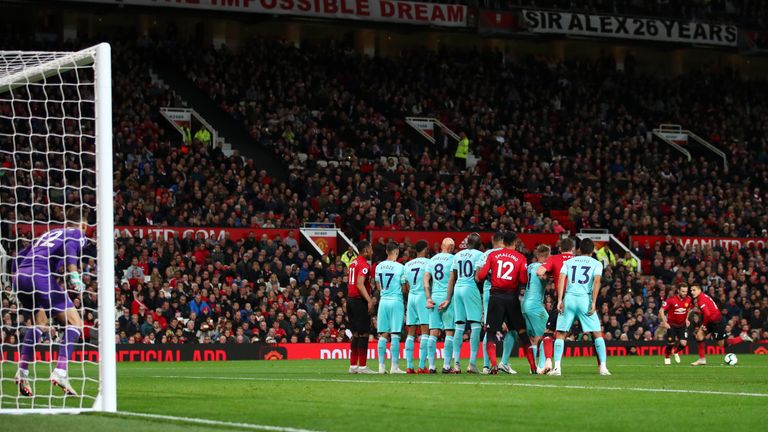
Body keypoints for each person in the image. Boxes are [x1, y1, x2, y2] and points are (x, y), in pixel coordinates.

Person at [14, 208, 89, 396]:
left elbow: (20, 256)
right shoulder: (76, 233)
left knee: (40, 324)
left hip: (20, 276)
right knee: (75, 323)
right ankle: (61, 371)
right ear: (84, 225)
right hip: (39, 275)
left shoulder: (49, 233)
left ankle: (22, 371)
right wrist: (74, 274)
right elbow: (71, 247)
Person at [550, 238, 611, 376]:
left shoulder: (569, 262)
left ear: (579, 250)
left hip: (569, 298)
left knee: (561, 333)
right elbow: (596, 281)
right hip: (585, 299)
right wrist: (594, 302)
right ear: (592, 251)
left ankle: (557, 368)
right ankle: (603, 367)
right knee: (596, 333)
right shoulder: (596, 263)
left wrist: (560, 299)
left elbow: (561, 278)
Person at [476, 231, 531, 374]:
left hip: (495, 297)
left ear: (503, 242)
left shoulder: (492, 255)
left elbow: (481, 276)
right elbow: (524, 280)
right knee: (521, 332)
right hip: (511, 298)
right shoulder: (520, 257)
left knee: (492, 332)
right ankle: (533, 367)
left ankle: (493, 365)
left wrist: (491, 275)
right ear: (515, 242)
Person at [441, 233, 484, 374]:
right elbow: (478, 277)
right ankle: (472, 363)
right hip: (470, 287)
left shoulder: (458, 255)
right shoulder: (479, 254)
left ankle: (457, 364)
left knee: (459, 326)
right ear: (478, 244)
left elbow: (452, 278)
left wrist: (448, 297)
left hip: (458, 288)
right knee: (475, 325)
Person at [535, 236, 575, 373]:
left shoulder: (555, 258)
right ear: (573, 249)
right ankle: (602, 367)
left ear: (559, 249)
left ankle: (550, 363)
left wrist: (548, 276)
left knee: (550, 332)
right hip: (580, 299)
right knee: (596, 333)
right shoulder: (578, 260)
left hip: (562, 300)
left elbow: (539, 271)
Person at [476, 232, 512, 374]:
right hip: (505, 292)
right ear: (503, 241)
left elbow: (478, 277)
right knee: (511, 328)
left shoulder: (485, 254)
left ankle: (486, 366)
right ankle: (504, 362)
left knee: (489, 329)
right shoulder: (508, 254)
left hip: (488, 292)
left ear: (493, 241)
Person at [689, 285, 745, 366]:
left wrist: (704, 325)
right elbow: (708, 311)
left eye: (694, 290)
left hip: (717, 322)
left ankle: (741, 338)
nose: (692, 292)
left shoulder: (701, 300)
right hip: (711, 321)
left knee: (721, 344)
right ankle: (702, 359)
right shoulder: (703, 296)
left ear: (699, 290)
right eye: (691, 290)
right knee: (699, 336)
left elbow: (707, 314)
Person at [375, 242, 408, 374]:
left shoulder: (379, 266)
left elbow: (378, 286)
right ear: (396, 252)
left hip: (383, 301)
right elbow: (404, 288)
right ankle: (394, 367)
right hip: (396, 301)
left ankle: (381, 367)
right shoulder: (400, 267)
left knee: (383, 334)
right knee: (395, 334)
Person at [424, 238, 456, 373]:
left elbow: (425, 280)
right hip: (447, 297)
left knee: (433, 332)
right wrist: (448, 298)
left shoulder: (432, 260)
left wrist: (428, 298)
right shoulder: (453, 259)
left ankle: (431, 366)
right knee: (449, 331)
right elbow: (452, 279)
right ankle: (446, 366)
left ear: (442, 246)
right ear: (452, 248)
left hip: (435, 297)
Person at [346, 240, 376, 374]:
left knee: (356, 334)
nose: (372, 252)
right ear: (365, 251)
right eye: (370, 249)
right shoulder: (364, 264)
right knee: (364, 334)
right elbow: (359, 284)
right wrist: (369, 300)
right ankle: (363, 367)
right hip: (359, 301)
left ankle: (353, 366)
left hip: (350, 300)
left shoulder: (353, 262)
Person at [403, 240, 431, 374]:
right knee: (425, 331)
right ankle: (421, 366)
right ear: (425, 250)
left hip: (411, 297)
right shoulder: (428, 262)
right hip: (422, 296)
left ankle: (409, 366)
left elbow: (405, 285)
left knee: (411, 332)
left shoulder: (407, 264)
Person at [523, 245, 551, 373]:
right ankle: (541, 366)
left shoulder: (530, 266)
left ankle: (532, 368)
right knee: (546, 333)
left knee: (533, 338)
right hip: (535, 305)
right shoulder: (542, 268)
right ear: (545, 256)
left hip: (524, 304)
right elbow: (542, 276)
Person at [659, 284, 692, 365]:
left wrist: (687, 319)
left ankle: (675, 352)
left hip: (682, 324)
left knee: (683, 344)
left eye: (686, 291)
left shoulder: (689, 299)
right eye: (683, 291)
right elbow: (661, 310)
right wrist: (664, 322)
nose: (685, 293)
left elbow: (689, 309)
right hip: (672, 325)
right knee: (671, 343)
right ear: (678, 291)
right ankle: (667, 356)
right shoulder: (671, 300)